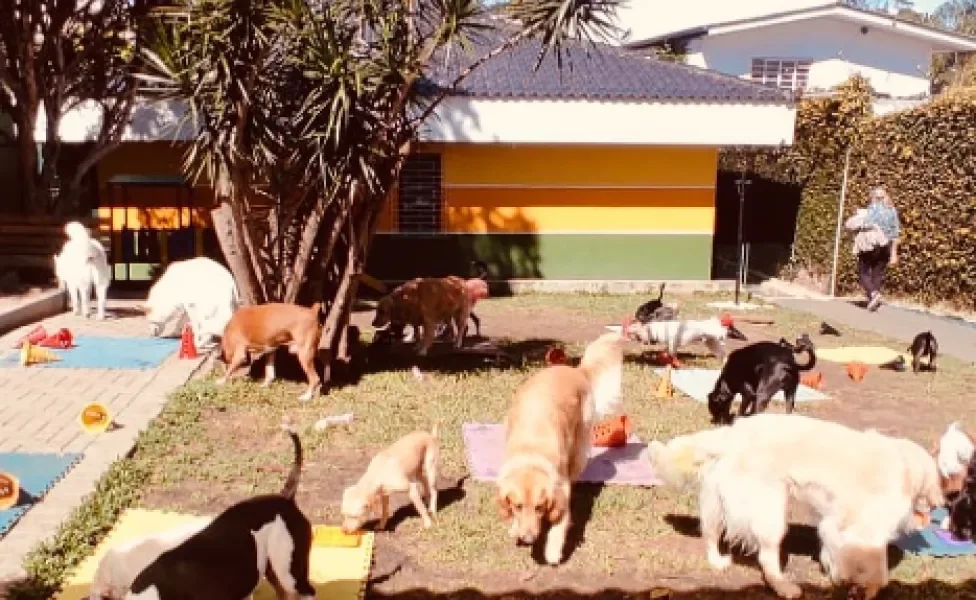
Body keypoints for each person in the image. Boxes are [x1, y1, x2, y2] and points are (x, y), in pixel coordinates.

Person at [843, 186, 901, 312]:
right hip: (886, 246)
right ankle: (872, 301)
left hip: (871, 245)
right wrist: (893, 254)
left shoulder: (872, 208)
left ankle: (874, 294)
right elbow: (896, 233)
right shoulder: (892, 210)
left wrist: (858, 220)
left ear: (874, 197)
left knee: (863, 272)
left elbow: (866, 224)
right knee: (877, 274)